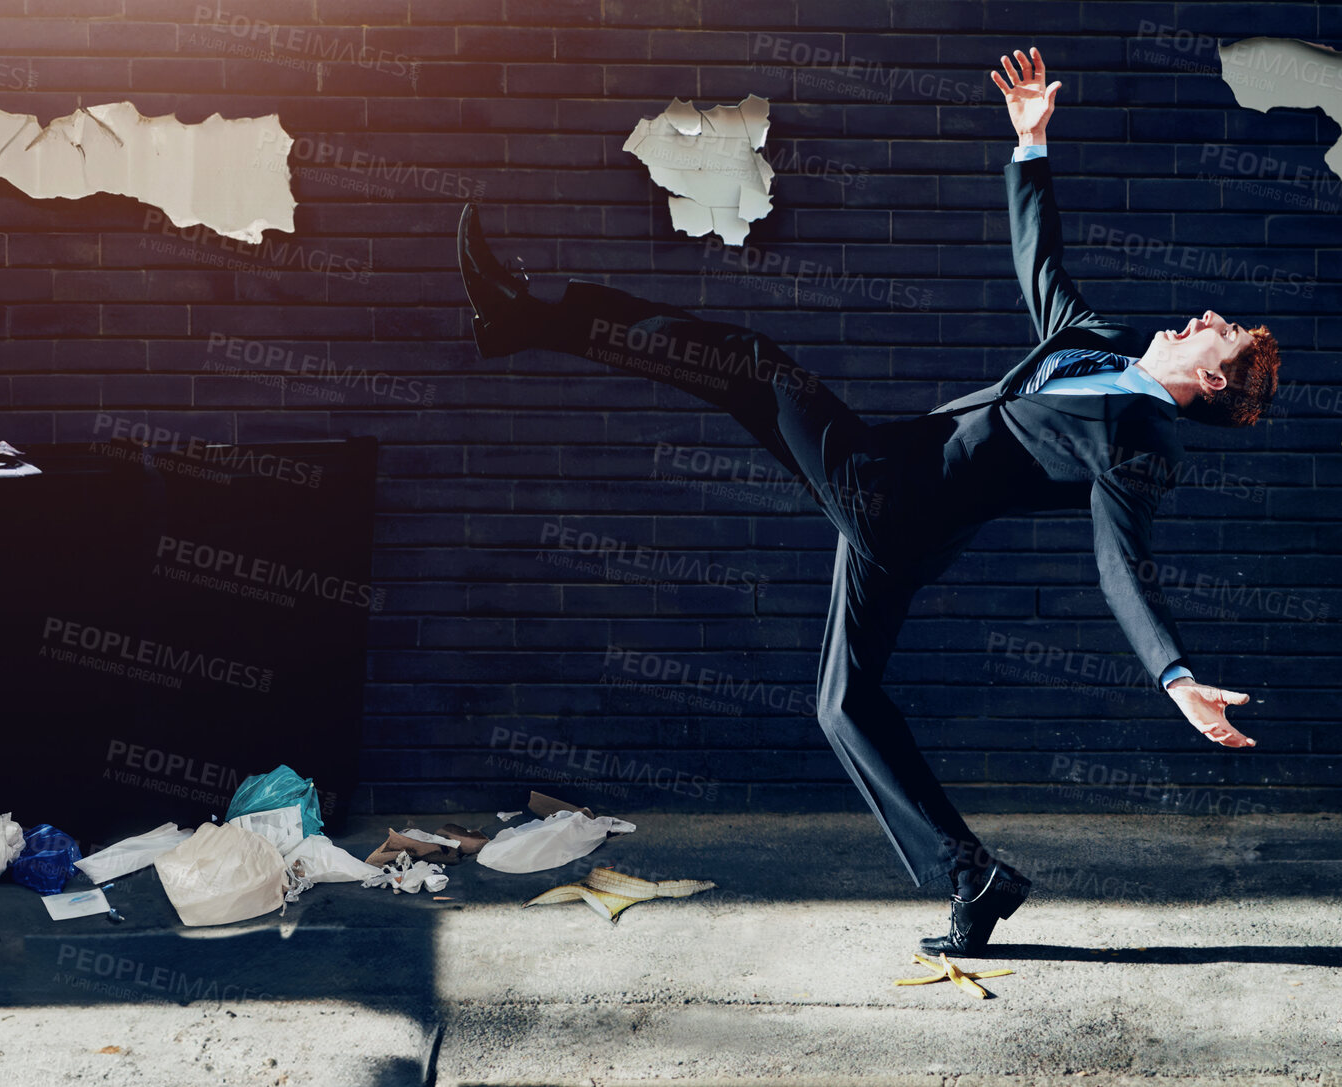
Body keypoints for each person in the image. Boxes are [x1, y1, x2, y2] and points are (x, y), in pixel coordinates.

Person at [455, 47, 1281, 955]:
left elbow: (1120, 559)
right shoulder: (1103, 343)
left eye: (1219, 329)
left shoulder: (1144, 441)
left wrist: (1172, 674)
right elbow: (1041, 260)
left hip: (893, 497)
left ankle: (530, 313)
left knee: (752, 364)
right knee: (844, 702)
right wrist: (1031, 143)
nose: (1201, 316)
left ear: (1211, 377)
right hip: (901, 507)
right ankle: (974, 876)